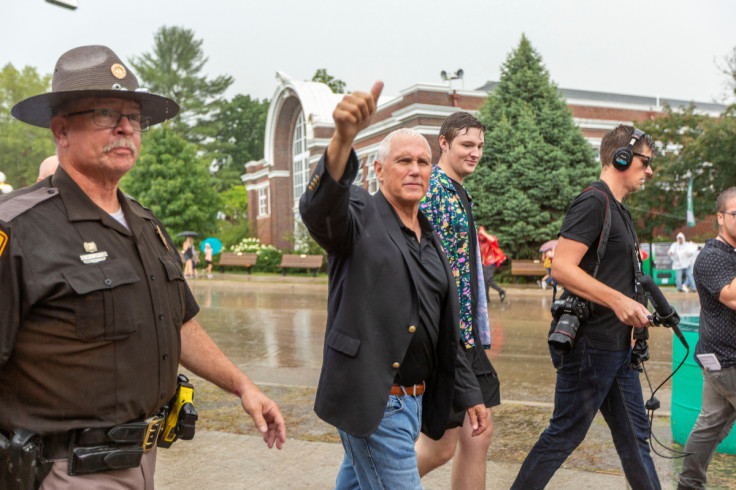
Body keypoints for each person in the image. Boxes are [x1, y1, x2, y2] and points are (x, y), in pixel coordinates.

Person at [0, 45, 285, 488]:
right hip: (62, 471)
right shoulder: (17, 228)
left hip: (144, 462)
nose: (125, 128)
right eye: (104, 114)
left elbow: (179, 322)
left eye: (134, 118)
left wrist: (242, 385)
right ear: (61, 130)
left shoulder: (145, 223)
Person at [299, 81, 487, 489]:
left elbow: (445, 325)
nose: (416, 169)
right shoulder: (360, 215)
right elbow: (319, 210)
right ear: (378, 170)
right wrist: (342, 139)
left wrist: (470, 392)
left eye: (423, 161)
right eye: (404, 161)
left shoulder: (430, 235)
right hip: (375, 400)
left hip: (416, 402)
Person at [511, 125, 660, 489]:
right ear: (620, 158)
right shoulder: (594, 201)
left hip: (618, 349)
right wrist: (618, 300)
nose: (650, 171)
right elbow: (562, 267)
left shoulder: (619, 208)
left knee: (635, 440)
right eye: (645, 161)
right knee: (563, 435)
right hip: (591, 347)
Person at [415, 111, 500, 489]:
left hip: (467, 335)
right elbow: (431, 271)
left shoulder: (456, 191)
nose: (476, 152)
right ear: (444, 143)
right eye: (467, 144)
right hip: (452, 337)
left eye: (480, 145)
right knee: (440, 447)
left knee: (478, 432)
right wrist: (449, 339)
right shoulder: (433, 191)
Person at [676, 187, 736, 490]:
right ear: (720, 218)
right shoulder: (712, 257)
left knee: (710, 425)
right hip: (728, 360)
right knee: (709, 425)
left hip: (720, 359)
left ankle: (688, 484)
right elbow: (733, 297)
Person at [478, 226, 507, 303]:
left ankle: (501, 291)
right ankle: (486, 299)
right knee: (484, 281)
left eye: (482, 235)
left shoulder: (489, 239)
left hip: (492, 261)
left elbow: (493, 240)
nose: (481, 237)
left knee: (488, 279)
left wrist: (483, 233)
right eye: (480, 235)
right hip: (485, 262)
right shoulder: (479, 242)